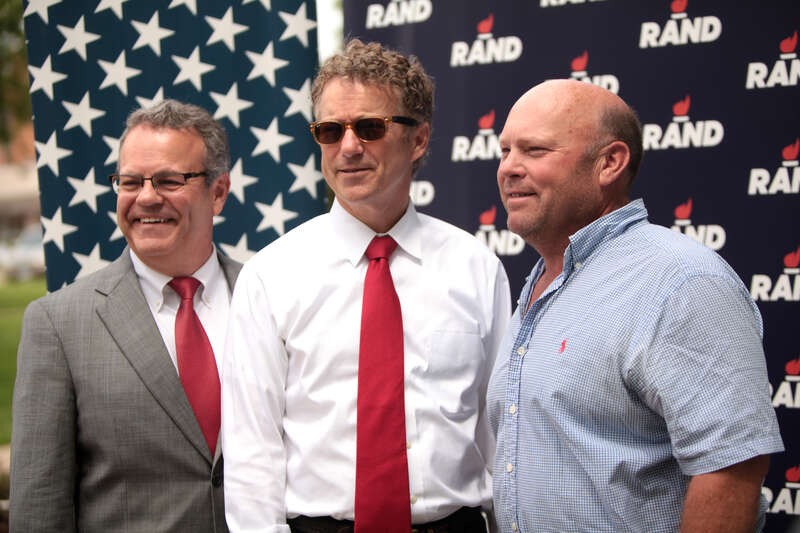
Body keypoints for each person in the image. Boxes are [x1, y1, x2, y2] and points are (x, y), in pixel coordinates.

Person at [221, 39, 511, 533]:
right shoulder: (271, 276)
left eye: (371, 128)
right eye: (330, 131)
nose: (348, 147)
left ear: (418, 139)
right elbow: (252, 454)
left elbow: (503, 433)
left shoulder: (476, 268)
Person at [487, 78, 784, 533]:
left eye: (534, 150)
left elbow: (730, 472)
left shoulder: (681, 281)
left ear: (610, 163)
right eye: (505, 151)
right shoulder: (540, 284)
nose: (509, 168)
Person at [10, 99, 239, 532]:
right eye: (130, 182)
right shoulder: (58, 325)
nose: (147, 197)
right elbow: (39, 503)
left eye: (170, 180)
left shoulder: (272, 299)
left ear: (218, 192)